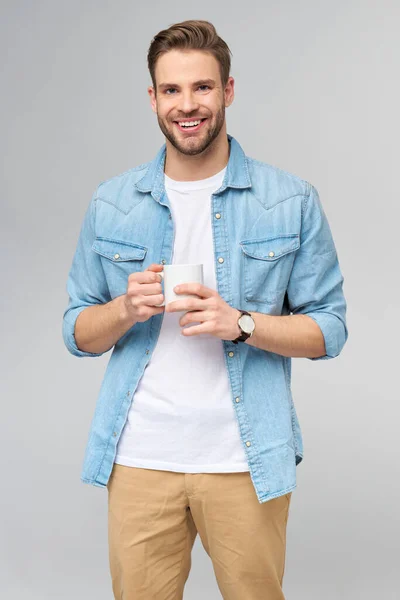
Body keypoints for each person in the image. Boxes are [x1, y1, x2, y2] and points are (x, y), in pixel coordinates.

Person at [62, 19, 348, 600]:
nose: (187, 105)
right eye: (171, 90)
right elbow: (76, 331)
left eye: (202, 88)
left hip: (244, 460)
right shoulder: (111, 202)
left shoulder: (289, 200)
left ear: (228, 91)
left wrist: (241, 324)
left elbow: (330, 329)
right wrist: (124, 309)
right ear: (152, 97)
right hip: (139, 457)